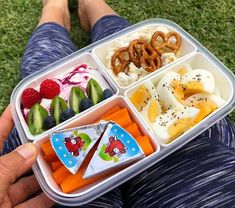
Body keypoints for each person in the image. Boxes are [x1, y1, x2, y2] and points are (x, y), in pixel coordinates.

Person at [1, 0, 235, 207]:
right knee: (117, 34)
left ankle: (54, 12)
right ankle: (90, 8)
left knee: (44, 64)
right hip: (217, 166)